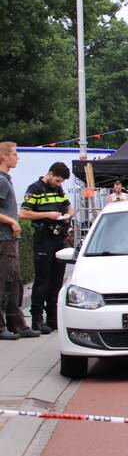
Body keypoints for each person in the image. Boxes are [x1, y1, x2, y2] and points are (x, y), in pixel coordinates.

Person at [20, 162, 75, 334]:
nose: (60, 184)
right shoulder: (35, 188)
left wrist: (67, 216)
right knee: (43, 279)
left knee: (57, 279)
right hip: (43, 238)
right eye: (58, 180)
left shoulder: (58, 190)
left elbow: (69, 207)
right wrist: (47, 215)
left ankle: (53, 318)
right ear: (50, 174)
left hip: (58, 238)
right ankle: (37, 319)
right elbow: (23, 213)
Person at [0, 143, 39, 340]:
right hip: (3, 239)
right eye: (15, 154)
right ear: (4, 157)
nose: (18, 158)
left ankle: (18, 324)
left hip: (9, 239)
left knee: (15, 283)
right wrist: (12, 222)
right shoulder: (1, 181)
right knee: (4, 283)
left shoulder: (6, 179)